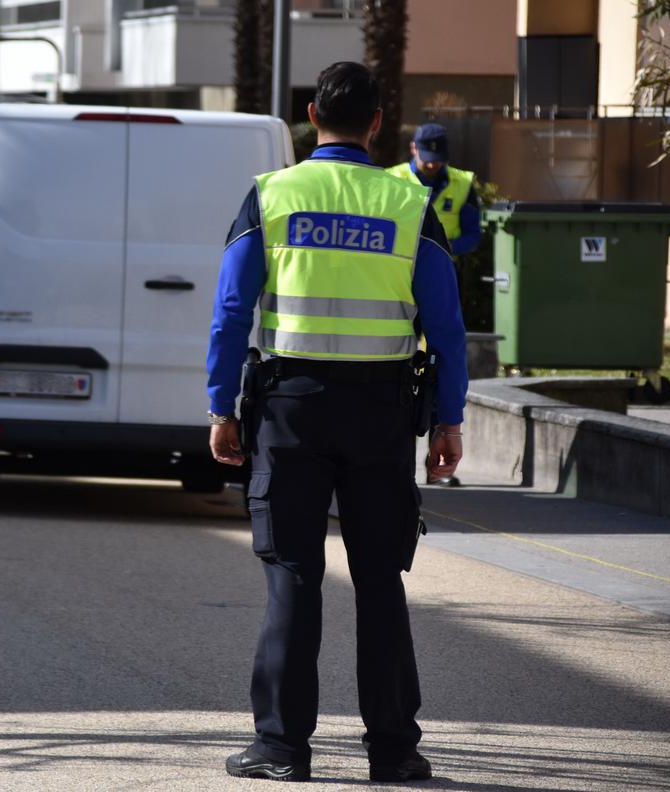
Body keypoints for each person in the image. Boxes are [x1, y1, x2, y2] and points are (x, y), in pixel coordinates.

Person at [204, 62, 467, 783]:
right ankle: (394, 751)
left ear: (312, 114)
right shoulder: (410, 204)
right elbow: (447, 328)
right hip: (383, 412)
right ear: (379, 122)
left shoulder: (271, 195)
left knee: (293, 573)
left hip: (289, 409)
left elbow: (232, 313)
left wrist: (220, 405)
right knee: (380, 578)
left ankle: (282, 749)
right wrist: (449, 423)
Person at [387, 124, 482, 257]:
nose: (432, 165)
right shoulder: (392, 179)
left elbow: (472, 236)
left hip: (446, 266)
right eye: (427, 158)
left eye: (438, 159)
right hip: (402, 265)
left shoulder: (463, 183)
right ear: (414, 148)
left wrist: (445, 249)